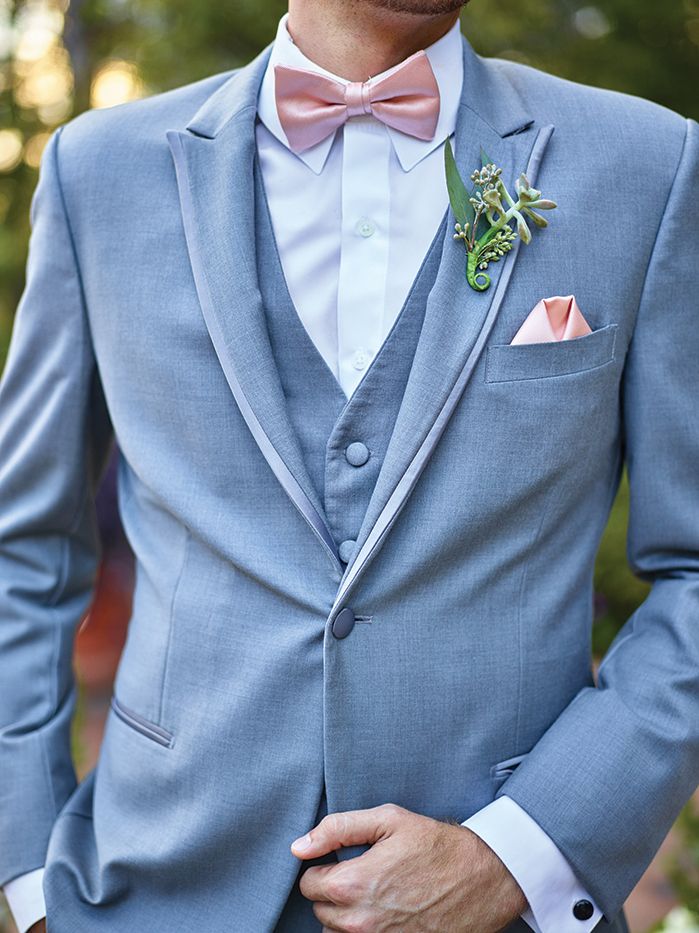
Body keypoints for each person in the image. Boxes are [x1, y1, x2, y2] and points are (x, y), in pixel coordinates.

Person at [1, 0, 697, 930]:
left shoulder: (646, 165)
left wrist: (522, 851)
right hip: (146, 892)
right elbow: (23, 553)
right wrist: (30, 883)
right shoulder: (101, 172)